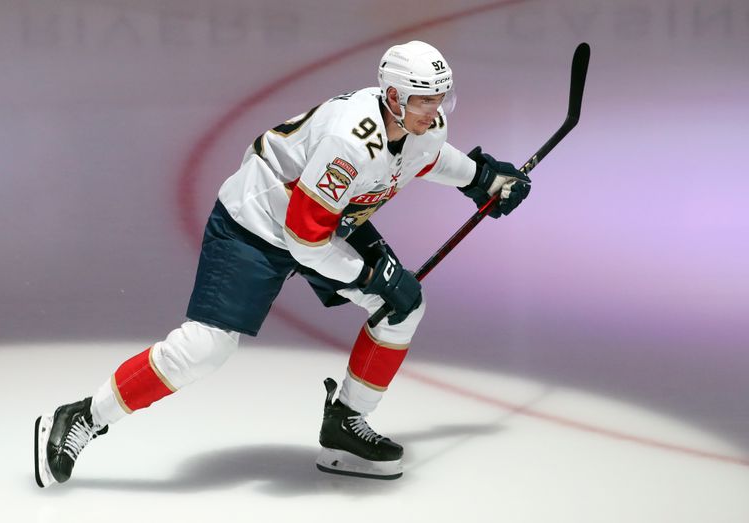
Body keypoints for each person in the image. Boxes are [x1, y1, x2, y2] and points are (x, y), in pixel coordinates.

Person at [33, 40, 531, 486]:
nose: (435, 109)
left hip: (324, 221)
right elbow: (304, 239)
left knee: (404, 306)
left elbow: (426, 155)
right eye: (424, 98)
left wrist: (481, 179)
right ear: (394, 97)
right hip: (257, 225)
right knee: (206, 348)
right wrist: (368, 274)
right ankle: (82, 416)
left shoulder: (423, 124)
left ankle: (345, 426)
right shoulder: (349, 143)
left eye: (440, 97)